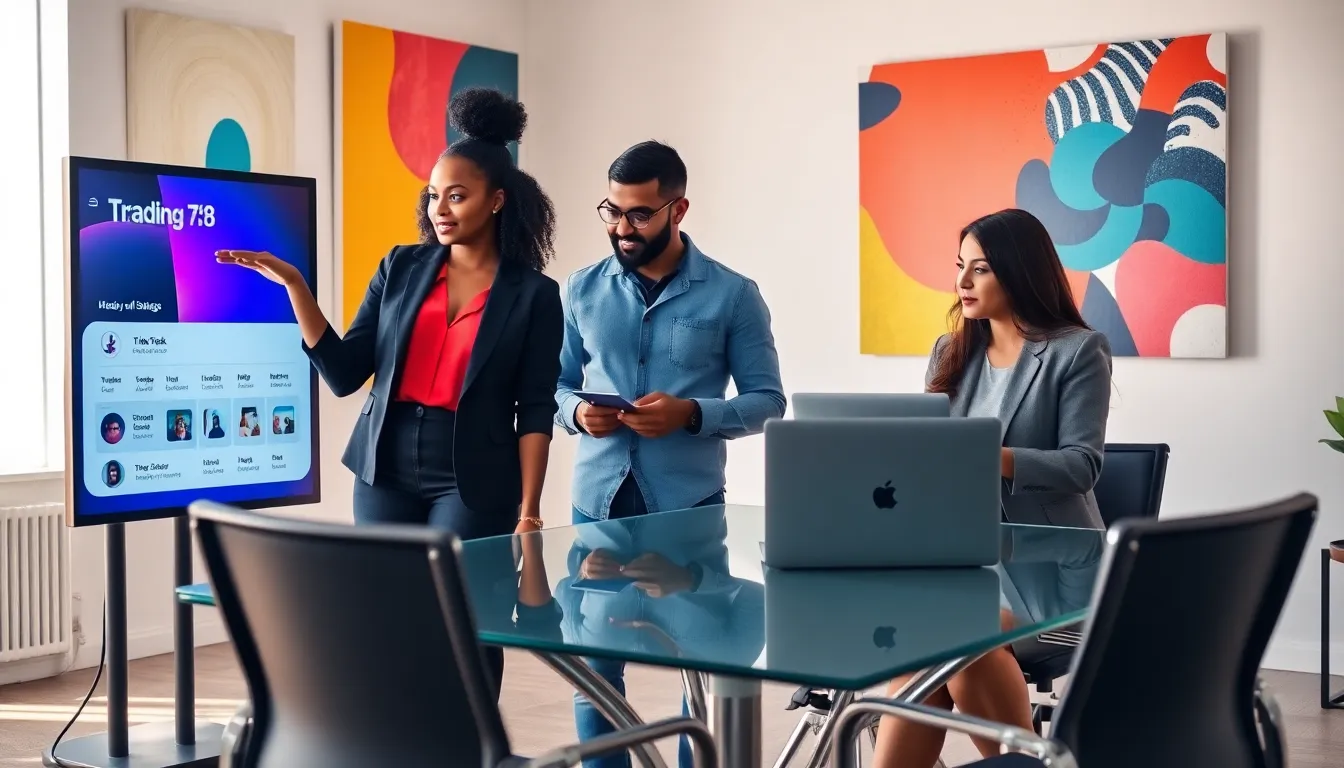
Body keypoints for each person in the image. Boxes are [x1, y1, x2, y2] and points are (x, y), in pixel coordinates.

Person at [216, 88, 563, 698]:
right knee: (387, 616)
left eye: (458, 195)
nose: (441, 209)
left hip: (473, 474)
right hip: (386, 463)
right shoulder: (400, 268)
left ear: (498, 199)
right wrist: (298, 289)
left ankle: (471, 747)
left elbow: (535, 407)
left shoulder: (534, 294)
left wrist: (529, 509)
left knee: (468, 620)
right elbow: (346, 372)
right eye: (434, 195)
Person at [554, 140, 785, 768]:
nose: (621, 229)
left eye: (639, 215)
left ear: (678, 209)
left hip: (688, 507)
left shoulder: (735, 295)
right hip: (596, 506)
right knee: (594, 672)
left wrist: (691, 415)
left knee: (698, 664)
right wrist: (576, 411)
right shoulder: (579, 289)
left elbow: (768, 401)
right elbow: (555, 386)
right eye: (611, 211)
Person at [871, 208, 1112, 768]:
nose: (960, 283)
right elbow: (930, 463)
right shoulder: (950, 353)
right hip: (966, 566)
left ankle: (1024, 763)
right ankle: (1028, 762)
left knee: (955, 631)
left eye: (978, 270)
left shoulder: (1077, 351)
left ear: (1018, 271)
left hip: (1055, 582)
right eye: (960, 267)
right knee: (933, 650)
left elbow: (1081, 466)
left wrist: (984, 454)